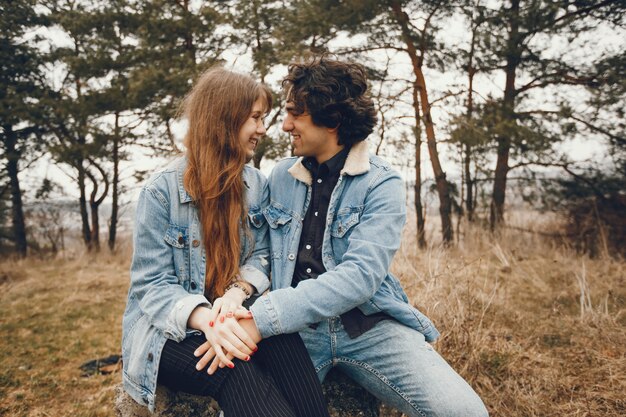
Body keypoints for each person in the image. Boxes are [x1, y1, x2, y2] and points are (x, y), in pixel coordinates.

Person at [198, 57, 489, 417]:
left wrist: (264, 319)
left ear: (332, 120)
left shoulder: (381, 182)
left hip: (368, 328)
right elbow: (263, 256)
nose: (285, 125)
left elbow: (360, 277)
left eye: (295, 114)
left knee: (464, 411)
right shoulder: (280, 178)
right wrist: (239, 296)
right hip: (294, 334)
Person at [121, 67, 331, 417]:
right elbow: (152, 285)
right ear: (224, 119)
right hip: (169, 330)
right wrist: (206, 320)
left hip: (232, 313)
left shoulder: (255, 185)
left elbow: (262, 253)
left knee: (282, 340)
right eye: (255, 118)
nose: (263, 129)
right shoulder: (160, 192)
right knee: (234, 368)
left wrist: (236, 294)